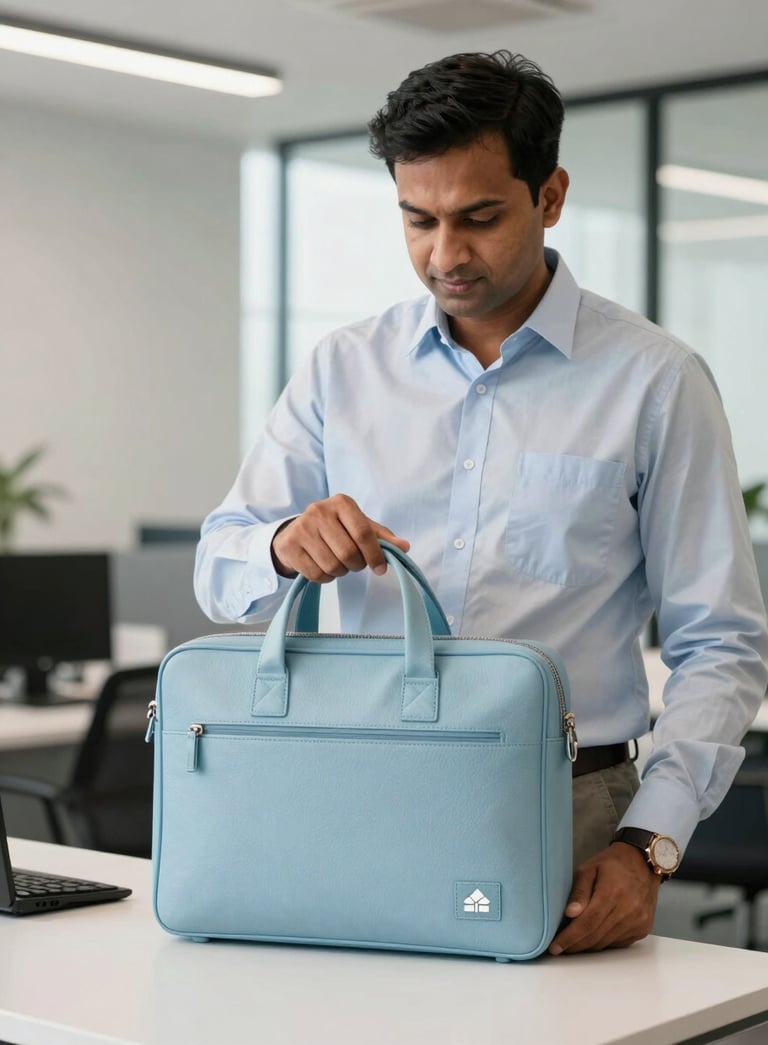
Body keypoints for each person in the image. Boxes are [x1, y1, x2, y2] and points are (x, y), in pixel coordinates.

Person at [194, 51, 768, 955]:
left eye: (479, 217)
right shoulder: (343, 369)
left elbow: (721, 643)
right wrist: (279, 542)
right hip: (357, 787)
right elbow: (219, 565)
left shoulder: (655, 381)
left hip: (569, 808)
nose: (444, 254)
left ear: (551, 196)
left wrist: (648, 846)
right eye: (417, 220)